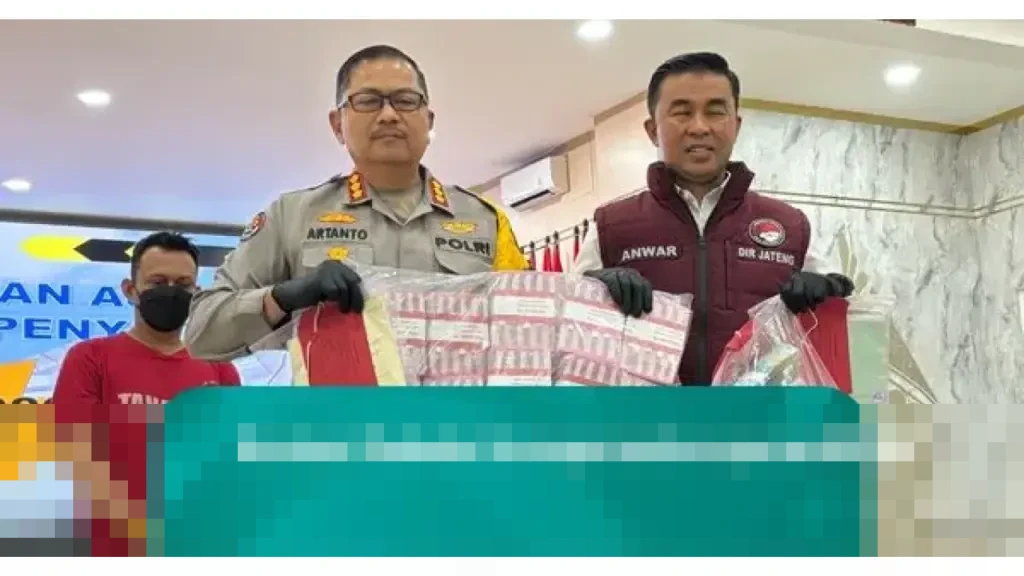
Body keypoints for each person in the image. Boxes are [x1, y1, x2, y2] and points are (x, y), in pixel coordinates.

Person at [185, 44, 528, 360]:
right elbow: (201, 332)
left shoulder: (486, 221)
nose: (389, 114)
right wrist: (283, 297)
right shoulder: (292, 216)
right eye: (368, 101)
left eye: (406, 100)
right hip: (339, 408)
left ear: (429, 121)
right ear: (338, 125)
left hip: (457, 408)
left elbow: (528, 333)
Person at [572, 52, 854, 386]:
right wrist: (594, 288)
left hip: (759, 415)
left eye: (715, 112)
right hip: (647, 417)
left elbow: (843, 330)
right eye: (682, 112)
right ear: (652, 130)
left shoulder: (789, 226)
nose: (699, 127)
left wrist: (829, 292)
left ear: (736, 125)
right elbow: (568, 330)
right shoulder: (611, 225)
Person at [52, 232, 240, 405]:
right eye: (158, 282)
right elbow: (71, 431)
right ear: (130, 290)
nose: (171, 291)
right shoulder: (89, 359)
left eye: (183, 285)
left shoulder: (220, 370)